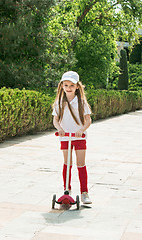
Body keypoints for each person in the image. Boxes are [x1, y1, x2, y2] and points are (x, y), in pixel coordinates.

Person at [52, 71, 92, 204]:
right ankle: (66, 189)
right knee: (67, 163)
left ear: (77, 87)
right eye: (66, 85)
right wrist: (60, 129)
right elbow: (55, 120)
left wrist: (81, 130)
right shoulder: (59, 103)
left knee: (80, 164)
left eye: (71, 85)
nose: (68, 88)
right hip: (65, 137)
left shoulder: (81, 102)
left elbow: (88, 120)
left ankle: (84, 192)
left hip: (79, 137)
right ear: (62, 86)